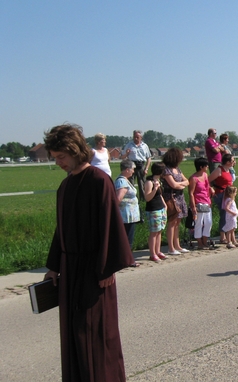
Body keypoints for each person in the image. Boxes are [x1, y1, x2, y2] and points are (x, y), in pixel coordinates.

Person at [43, 124, 133, 382]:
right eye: (55, 157)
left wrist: (106, 268)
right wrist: (54, 266)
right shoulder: (65, 185)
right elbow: (61, 229)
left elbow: (109, 225)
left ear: (74, 150)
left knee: (94, 335)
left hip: (95, 271)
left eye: (61, 156)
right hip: (70, 270)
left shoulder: (97, 180)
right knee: (74, 333)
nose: (58, 162)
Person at [161, 147, 189, 255]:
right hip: (171, 198)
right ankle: (171, 247)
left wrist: (180, 185)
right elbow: (173, 185)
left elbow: (186, 181)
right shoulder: (166, 170)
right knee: (172, 222)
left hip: (180, 197)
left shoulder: (177, 169)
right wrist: (181, 185)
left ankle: (177, 245)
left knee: (178, 222)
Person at [114, 159, 141, 266]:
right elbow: (118, 198)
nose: (133, 171)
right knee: (127, 238)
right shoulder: (122, 181)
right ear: (127, 169)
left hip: (129, 215)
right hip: (126, 215)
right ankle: (128, 260)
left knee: (127, 238)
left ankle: (125, 259)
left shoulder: (125, 180)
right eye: (132, 169)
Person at [208, 153, 235, 244]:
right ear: (227, 162)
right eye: (232, 161)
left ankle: (229, 236)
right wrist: (211, 188)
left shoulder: (229, 170)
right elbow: (208, 180)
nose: (234, 162)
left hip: (229, 195)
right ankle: (222, 236)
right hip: (221, 195)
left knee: (229, 215)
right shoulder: (219, 170)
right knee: (224, 215)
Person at [144, 162, 168, 262]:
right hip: (153, 209)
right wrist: (155, 188)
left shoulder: (158, 180)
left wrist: (164, 204)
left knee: (159, 231)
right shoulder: (149, 182)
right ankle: (152, 253)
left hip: (160, 208)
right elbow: (147, 198)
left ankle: (158, 251)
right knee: (154, 232)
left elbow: (160, 195)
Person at [189, 157, 214, 250]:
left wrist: (210, 191)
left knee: (208, 222)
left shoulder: (205, 175)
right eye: (206, 165)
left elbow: (207, 187)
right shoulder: (193, 178)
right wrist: (193, 206)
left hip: (206, 201)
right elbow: (191, 193)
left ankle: (205, 239)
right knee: (198, 223)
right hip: (198, 202)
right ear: (201, 167)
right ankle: (199, 242)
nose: (207, 166)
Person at [122, 130, 152, 197]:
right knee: (131, 183)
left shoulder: (145, 146)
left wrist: (146, 168)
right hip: (131, 164)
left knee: (142, 183)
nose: (135, 138)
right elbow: (122, 156)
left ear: (141, 137)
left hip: (141, 165)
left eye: (137, 137)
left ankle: (143, 199)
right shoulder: (129, 145)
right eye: (134, 137)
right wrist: (127, 153)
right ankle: (132, 198)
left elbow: (149, 158)